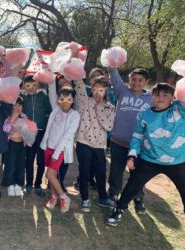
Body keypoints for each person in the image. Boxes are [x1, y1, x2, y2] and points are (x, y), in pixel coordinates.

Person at [106, 83, 185, 226]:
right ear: (151, 96)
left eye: (165, 95)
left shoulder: (179, 109)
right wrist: (132, 156)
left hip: (177, 161)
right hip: (149, 159)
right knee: (132, 185)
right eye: (156, 94)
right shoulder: (145, 114)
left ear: (173, 97)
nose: (160, 98)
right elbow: (137, 137)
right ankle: (119, 209)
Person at [107, 67, 152, 214]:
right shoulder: (122, 91)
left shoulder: (151, 98)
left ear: (146, 82)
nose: (136, 83)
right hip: (118, 140)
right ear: (129, 80)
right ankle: (113, 193)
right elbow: (114, 75)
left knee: (137, 174)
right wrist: (112, 62)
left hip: (138, 145)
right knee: (116, 170)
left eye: (140, 80)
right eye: (133, 79)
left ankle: (138, 198)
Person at [74, 76, 116, 212]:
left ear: (107, 91)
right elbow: (78, 83)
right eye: (95, 89)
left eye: (101, 90)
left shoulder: (109, 107)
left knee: (101, 172)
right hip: (83, 142)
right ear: (91, 88)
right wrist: (75, 58)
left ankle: (103, 197)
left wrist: (99, 108)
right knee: (84, 172)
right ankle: (85, 199)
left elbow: (109, 126)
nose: (97, 92)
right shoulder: (84, 101)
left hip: (99, 145)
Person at [40, 87, 80, 213]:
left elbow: (68, 136)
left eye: (69, 99)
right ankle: (53, 197)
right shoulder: (56, 110)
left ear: (73, 100)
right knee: (53, 176)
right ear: (58, 100)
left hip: (60, 150)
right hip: (49, 147)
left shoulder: (75, 115)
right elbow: (52, 92)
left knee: (49, 175)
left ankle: (63, 197)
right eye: (62, 99)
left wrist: (57, 153)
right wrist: (51, 72)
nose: (65, 102)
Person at [22, 75, 52, 197]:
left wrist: (47, 131)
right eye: (28, 86)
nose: (30, 88)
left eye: (33, 85)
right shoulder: (24, 98)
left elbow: (50, 113)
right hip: (29, 133)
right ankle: (28, 184)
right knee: (29, 159)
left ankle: (38, 184)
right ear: (24, 86)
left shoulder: (43, 97)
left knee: (40, 161)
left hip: (41, 133)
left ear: (38, 85)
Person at [1, 96, 26, 196]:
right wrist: (13, 119)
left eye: (19, 105)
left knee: (20, 165)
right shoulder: (8, 117)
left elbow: (27, 130)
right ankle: (10, 184)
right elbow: (5, 129)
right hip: (11, 144)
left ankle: (18, 184)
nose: (17, 107)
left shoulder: (24, 116)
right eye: (15, 105)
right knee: (10, 165)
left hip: (22, 145)